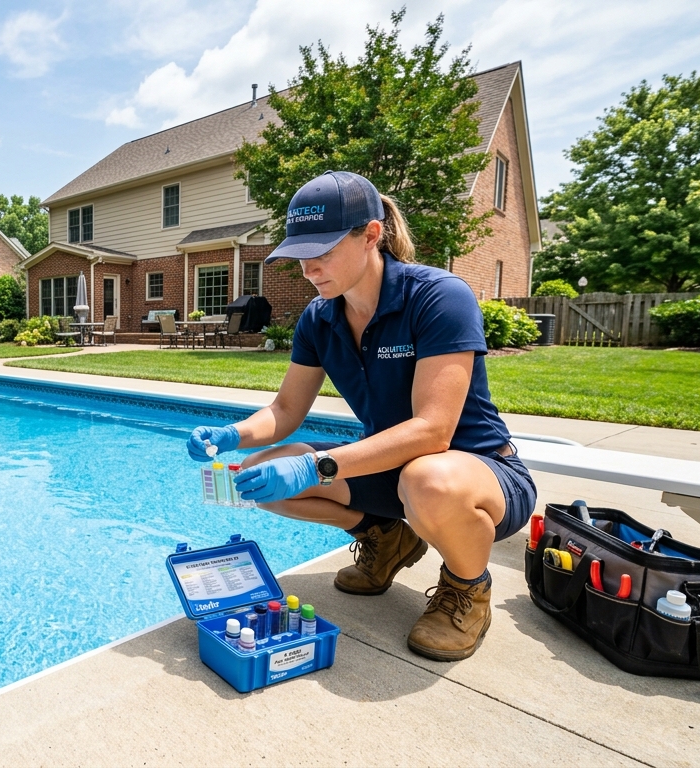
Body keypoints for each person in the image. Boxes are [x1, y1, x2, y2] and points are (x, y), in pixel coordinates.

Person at [187, 171, 536, 661]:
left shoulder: (438, 297)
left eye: (323, 252)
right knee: (259, 472)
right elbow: (285, 410)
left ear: (371, 235)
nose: (309, 269)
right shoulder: (319, 317)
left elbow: (433, 431)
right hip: (393, 470)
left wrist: (317, 467)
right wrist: (232, 434)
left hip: (478, 472)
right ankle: (386, 537)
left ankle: (467, 588)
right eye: (300, 254)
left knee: (427, 479)